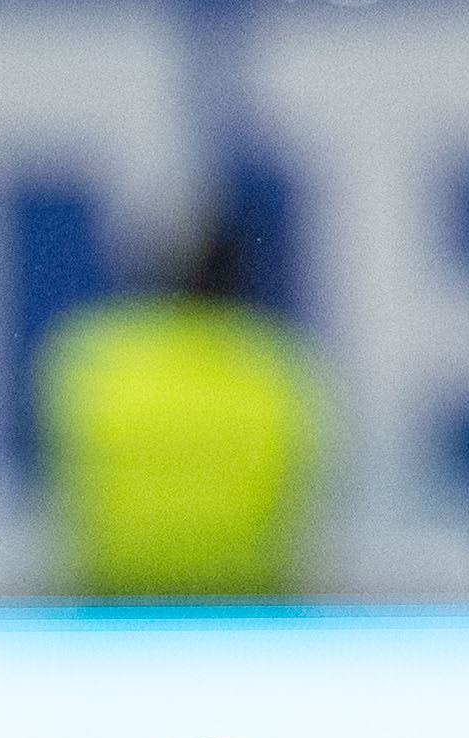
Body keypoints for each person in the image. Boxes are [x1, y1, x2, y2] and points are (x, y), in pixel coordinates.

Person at [35, 217, 326, 600]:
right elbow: (306, 499)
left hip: (115, 603)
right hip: (243, 605)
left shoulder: (93, 360)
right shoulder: (277, 367)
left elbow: (51, 477)